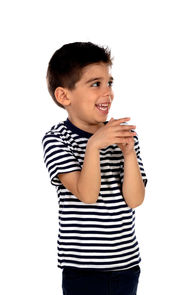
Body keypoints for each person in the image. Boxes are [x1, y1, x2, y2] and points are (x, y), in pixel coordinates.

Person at [42, 42, 148, 295]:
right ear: (64, 96)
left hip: (126, 265)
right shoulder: (57, 139)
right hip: (82, 269)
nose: (107, 92)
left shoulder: (122, 135)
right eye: (95, 84)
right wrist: (93, 147)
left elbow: (135, 199)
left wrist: (129, 153)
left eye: (109, 83)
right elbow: (87, 194)